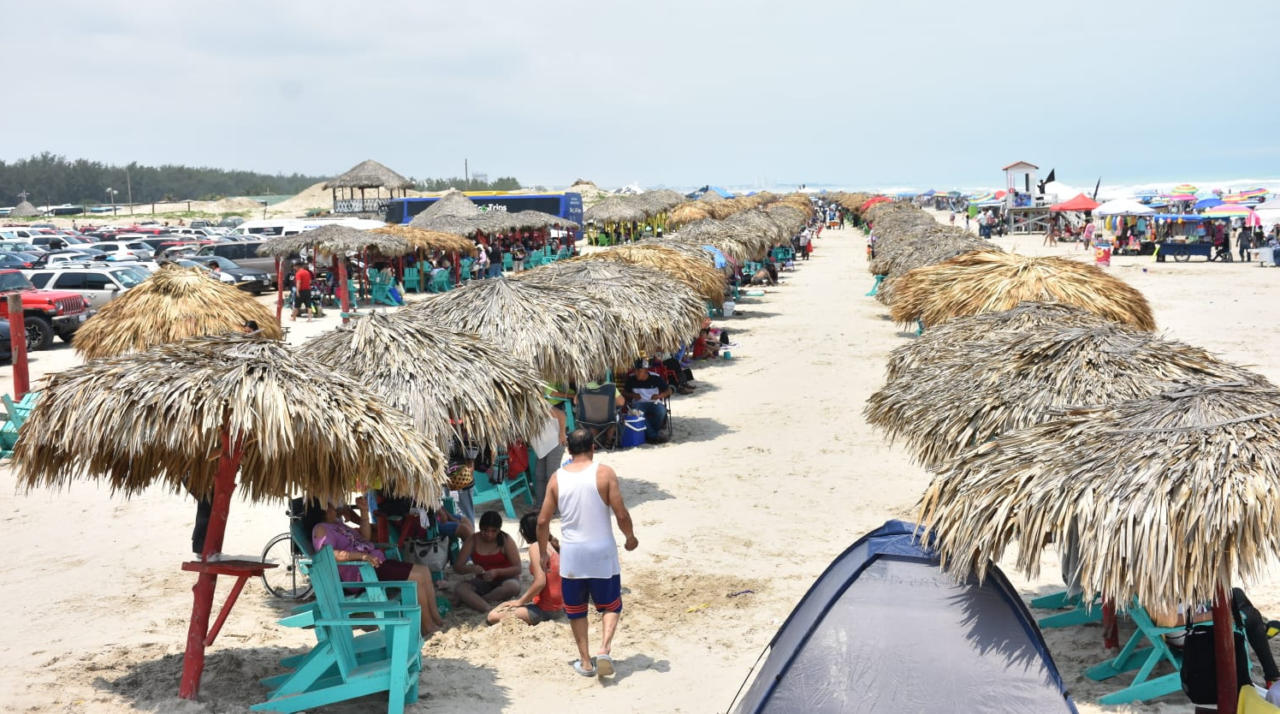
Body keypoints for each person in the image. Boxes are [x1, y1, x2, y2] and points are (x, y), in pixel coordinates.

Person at [537, 428, 638, 678]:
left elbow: (542, 521)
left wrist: (543, 553)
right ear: (593, 447)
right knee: (611, 605)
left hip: (572, 555)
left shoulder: (557, 478)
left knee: (576, 609)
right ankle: (604, 649)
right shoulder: (604, 473)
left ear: (568, 450)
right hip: (602, 552)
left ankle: (585, 662)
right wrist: (630, 537)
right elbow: (621, 513)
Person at [306, 497, 444, 636]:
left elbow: (365, 538)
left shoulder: (337, 525)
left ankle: (436, 618)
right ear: (322, 509)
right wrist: (362, 556)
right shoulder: (321, 529)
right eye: (330, 505)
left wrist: (364, 512)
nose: (335, 507)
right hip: (361, 572)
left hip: (374, 562)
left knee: (424, 571)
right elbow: (330, 554)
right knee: (416, 578)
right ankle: (427, 626)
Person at [487, 513, 564, 626]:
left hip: (547, 609)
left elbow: (540, 582)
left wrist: (520, 601)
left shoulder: (536, 547)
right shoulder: (551, 544)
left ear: (525, 532)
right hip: (561, 606)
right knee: (508, 605)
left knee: (493, 615)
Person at [454, 510, 522, 613]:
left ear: (499, 530)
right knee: (461, 588)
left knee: (513, 587)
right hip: (482, 580)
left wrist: (497, 572)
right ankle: (486, 608)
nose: (489, 534)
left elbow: (518, 568)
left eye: (493, 531)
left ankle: (481, 601)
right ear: (480, 528)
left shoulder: (506, 540)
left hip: (506, 579)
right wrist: (471, 568)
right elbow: (457, 567)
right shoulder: (473, 540)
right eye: (485, 530)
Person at [622, 360, 671, 443]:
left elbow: (669, 390)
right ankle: (653, 436)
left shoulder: (655, 377)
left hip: (654, 402)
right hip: (638, 403)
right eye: (635, 370)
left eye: (639, 371)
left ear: (646, 370)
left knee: (661, 411)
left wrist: (659, 396)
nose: (636, 373)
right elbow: (624, 392)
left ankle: (649, 433)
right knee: (637, 412)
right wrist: (633, 395)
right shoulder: (631, 378)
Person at [530, 401, 568, 507]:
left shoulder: (537, 403)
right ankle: (540, 504)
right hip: (541, 446)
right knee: (539, 475)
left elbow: (561, 415)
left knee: (551, 475)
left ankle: (555, 506)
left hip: (555, 442)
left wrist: (562, 433)